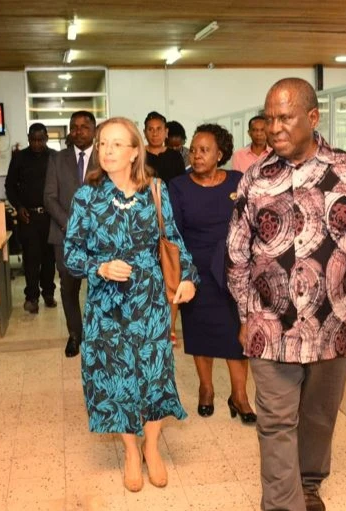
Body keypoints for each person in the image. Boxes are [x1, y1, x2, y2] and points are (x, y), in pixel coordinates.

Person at [226, 78, 346, 511]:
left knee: (319, 417)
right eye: (269, 118)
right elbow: (236, 253)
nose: (274, 127)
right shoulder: (255, 177)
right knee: (275, 423)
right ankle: (283, 504)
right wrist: (246, 313)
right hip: (270, 326)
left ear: (312, 117)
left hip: (333, 325)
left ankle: (308, 484)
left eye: (285, 117)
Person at [63, 116, 198, 493]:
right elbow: (71, 254)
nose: (107, 150)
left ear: (135, 151)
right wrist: (100, 266)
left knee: (154, 374)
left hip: (150, 299)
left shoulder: (155, 190)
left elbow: (172, 239)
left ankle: (152, 447)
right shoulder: (86, 197)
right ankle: (130, 452)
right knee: (116, 378)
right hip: (106, 307)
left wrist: (187, 276)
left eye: (117, 144)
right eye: (103, 143)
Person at [168, 123, 255, 423]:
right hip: (195, 269)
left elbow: (250, 223)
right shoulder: (178, 186)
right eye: (194, 149)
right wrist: (182, 274)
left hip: (233, 268)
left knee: (236, 336)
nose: (197, 155)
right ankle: (206, 389)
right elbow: (174, 233)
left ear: (220, 154)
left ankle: (240, 395)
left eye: (204, 150)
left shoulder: (238, 180)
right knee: (200, 332)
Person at [44, 111, 96, 357]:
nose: (78, 131)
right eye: (74, 127)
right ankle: (75, 334)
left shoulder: (105, 157)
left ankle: (99, 335)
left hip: (100, 236)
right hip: (64, 236)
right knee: (68, 287)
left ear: (94, 130)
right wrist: (71, 226)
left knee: (101, 287)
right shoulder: (57, 159)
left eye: (84, 126)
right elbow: (49, 197)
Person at [5, 123, 58, 314]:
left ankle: (49, 293)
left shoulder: (54, 157)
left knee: (49, 258)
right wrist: (18, 207)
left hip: (51, 216)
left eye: (40, 140)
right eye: (33, 140)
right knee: (31, 259)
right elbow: (10, 186)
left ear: (46, 139)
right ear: (28, 138)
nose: (37, 144)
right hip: (28, 217)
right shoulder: (19, 158)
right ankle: (32, 297)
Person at [143, 111, 186, 183]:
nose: (155, 134)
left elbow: (182, 184)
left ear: (166, 132)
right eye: (150, 129)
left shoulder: (175, 156)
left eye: (159, 129)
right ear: (145, 133)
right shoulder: (137, 155)